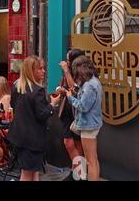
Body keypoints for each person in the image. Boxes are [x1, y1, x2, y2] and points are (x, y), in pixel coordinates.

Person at [7, 56, 61, 181]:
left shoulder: (16, 86)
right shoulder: (38, 91)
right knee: (27, 174)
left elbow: (13, 105)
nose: (43, 71)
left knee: (33, 172)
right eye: (40, 69)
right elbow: (42, 115)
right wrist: (52, 104)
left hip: (19, 137)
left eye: (43, 68)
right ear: (31, 71)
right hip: (32, 140)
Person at [64, 55, 103, 181]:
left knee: (90, 161)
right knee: (93, 159)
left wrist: (70, 97)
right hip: (92, 124)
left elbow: (83, 106)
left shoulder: (89, 86)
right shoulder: (93, 81)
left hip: (88, 125)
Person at [57, 49, 85, 181]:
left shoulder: (81, 73)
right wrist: (60, 90)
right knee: (68, 142)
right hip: (67, 109)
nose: (66, 61)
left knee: (78, 144)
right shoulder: (67, 71)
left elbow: (74, 89)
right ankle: (78, 172)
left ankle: (77, 173)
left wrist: (66, 71)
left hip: (77, 110)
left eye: (68, 59)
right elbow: (63, 87)